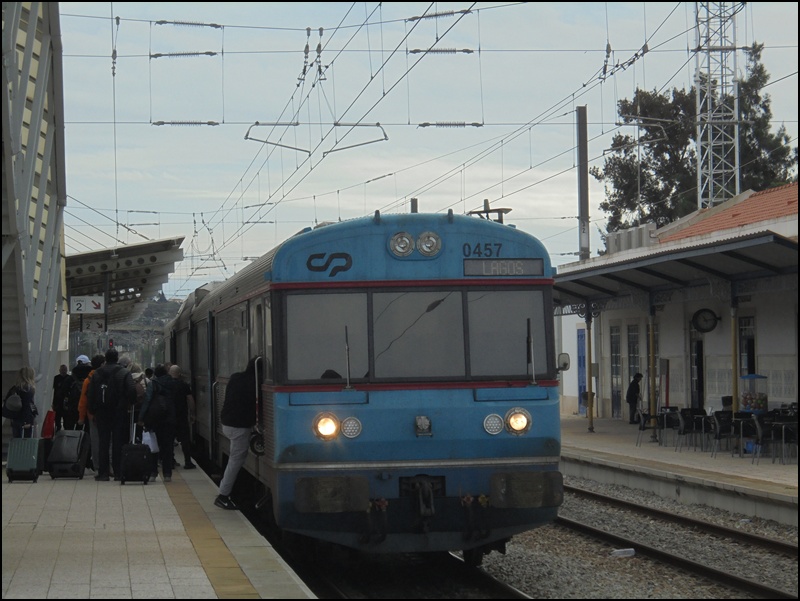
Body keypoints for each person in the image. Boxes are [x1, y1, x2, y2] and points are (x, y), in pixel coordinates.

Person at [215, 356, 262, 510]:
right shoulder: (254, 384)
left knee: (234, 458)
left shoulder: (236, 378)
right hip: (239, 426)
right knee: (236, 460)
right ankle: (223, 495)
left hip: (227, 423)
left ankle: (227, 491)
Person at [87, 347, 136, 481]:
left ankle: (103, 473)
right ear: (117, 358)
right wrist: (129, 403)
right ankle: (118, 472)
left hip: (102, 412)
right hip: (119, 411)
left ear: (106, 358)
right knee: (118, 441)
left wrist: (92, 410)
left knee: (103, 442)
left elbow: (90, 393)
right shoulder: (124, 372)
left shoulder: (97, 373)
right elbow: (132, 390)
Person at [138, 364, 177, 482]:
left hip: (155, 419)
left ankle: (153, 473)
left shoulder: (153, 384)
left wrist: (141, 417)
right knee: (168, 446)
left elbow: (147, 401)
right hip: (170, 419)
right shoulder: (173, 383)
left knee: (153, 446)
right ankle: (167, 474)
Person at [77, 354, 106, 472]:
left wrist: (81, 417)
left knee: (95, 441)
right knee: (107, 440)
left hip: (92, 414)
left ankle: (98, 466)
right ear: (101, 364)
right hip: (107, 413)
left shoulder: (88, 380)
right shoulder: (107, 377)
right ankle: (108, 465)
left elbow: (83, 401)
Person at [169, 364, 197, 470]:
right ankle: (188, 461)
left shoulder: (166, 385)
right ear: (179, 374)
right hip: (181, 416)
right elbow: (190, 400)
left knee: (169, 440)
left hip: (169, 417)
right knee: (185, 440)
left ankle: (171, 461)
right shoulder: (184, 385)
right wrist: (193, 414)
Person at [57, 356, 92, 432]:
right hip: (87, 409)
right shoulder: (91, 376)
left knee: (70, 430)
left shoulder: (71, 378)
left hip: (72, 409)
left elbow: (62, 394)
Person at [6, 367, 37, 438]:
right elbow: (28, 405)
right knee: (26, 443)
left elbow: (7, 401)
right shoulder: (29, 389)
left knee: (17, 440)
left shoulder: (14, 388)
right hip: (26, 419)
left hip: (15, 418)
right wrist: (29, 420)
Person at [51, 364, 70, 432]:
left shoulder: (69, 378)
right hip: (57, 401)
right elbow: (54, 391)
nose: (63, 371)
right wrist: (53, 403)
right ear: (59, 370)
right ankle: (58, 430)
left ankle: (66, 430)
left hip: (66, 401)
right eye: (62, 370)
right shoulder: (56, 378)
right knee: (57, 419)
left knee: (66, 419)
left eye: (64, 370)